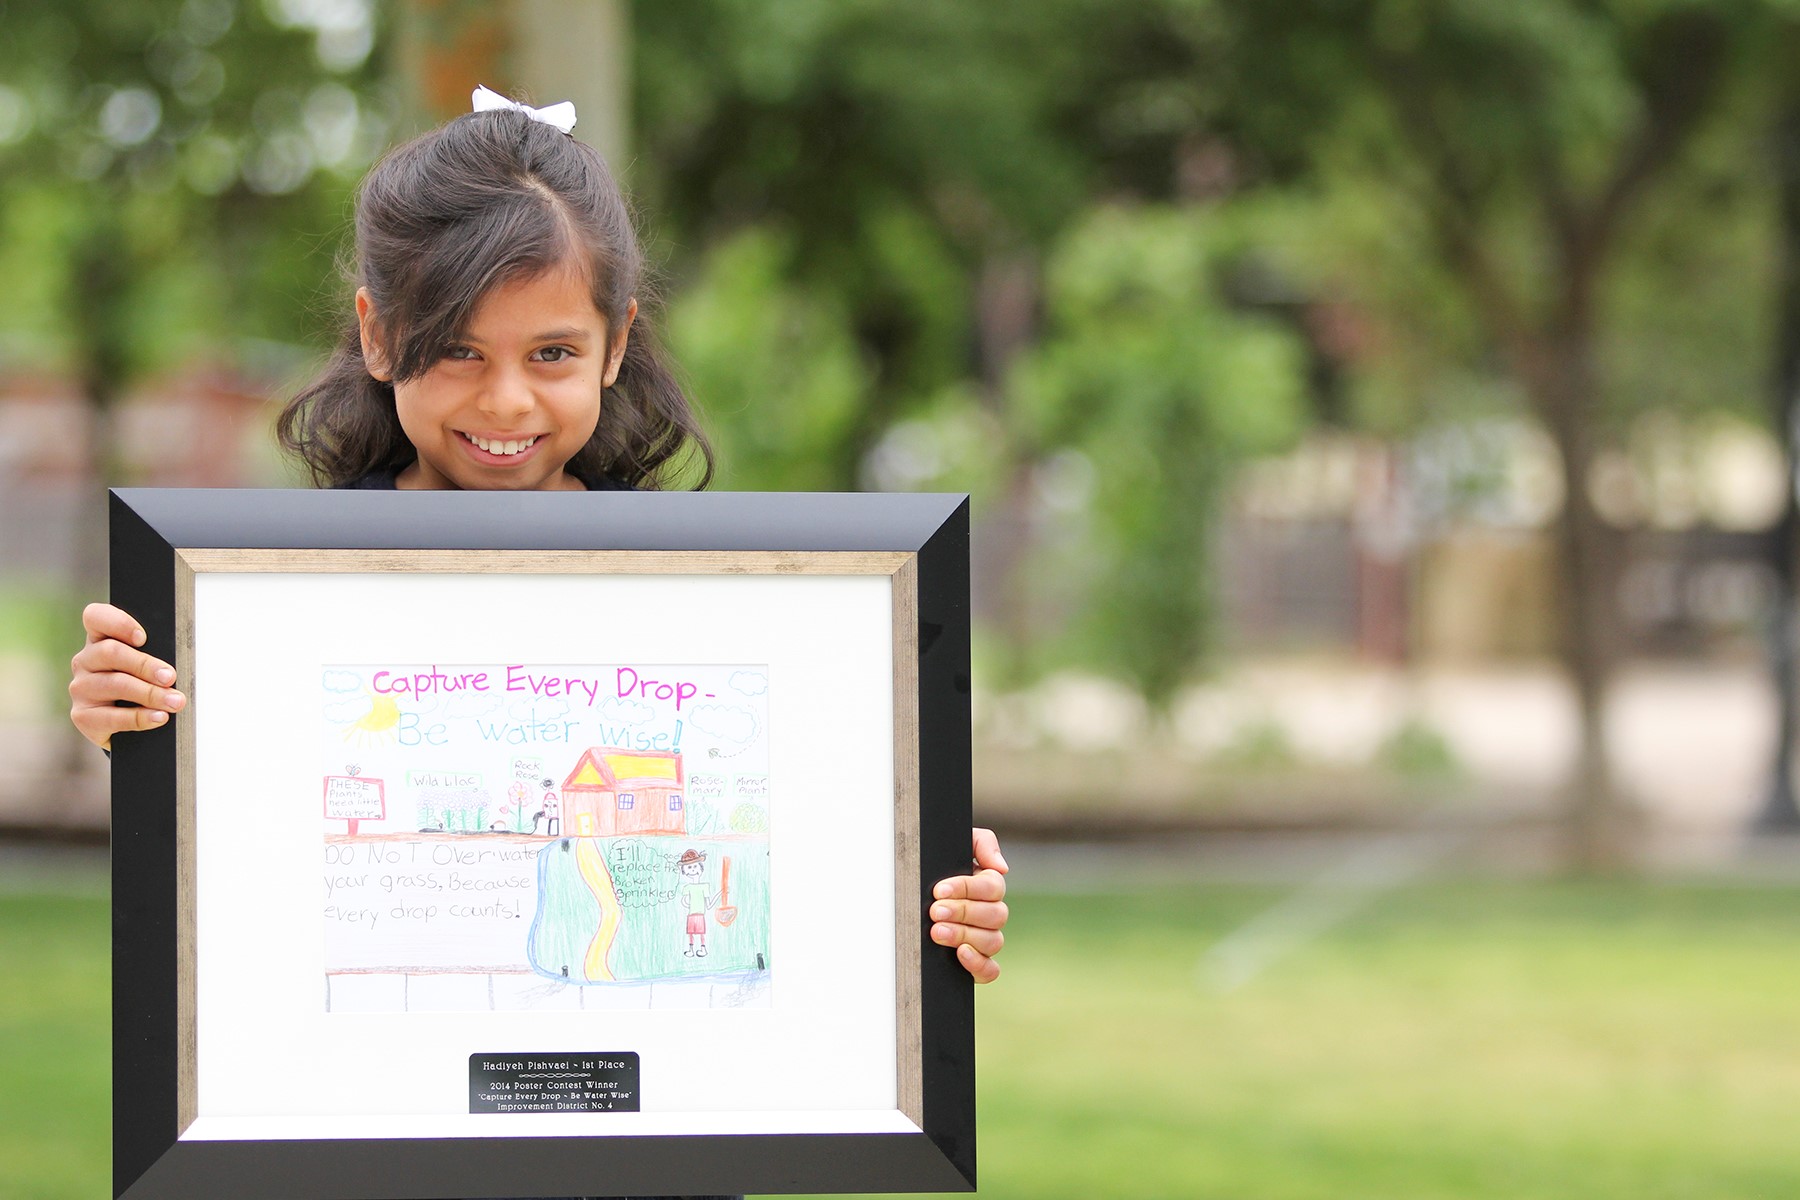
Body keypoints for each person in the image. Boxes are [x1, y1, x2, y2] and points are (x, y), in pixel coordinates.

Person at [66, 88, 1007, 1200]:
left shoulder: (729, 610)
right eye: (456, 350)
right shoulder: (264, 608)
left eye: (553, 350)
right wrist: (130, 715)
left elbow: (806, 856)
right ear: (377, 334)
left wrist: (920, 886)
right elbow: (237, 853)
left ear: (618, 346)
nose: (506, 400)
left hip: (654, 1158)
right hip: (361, 1150)